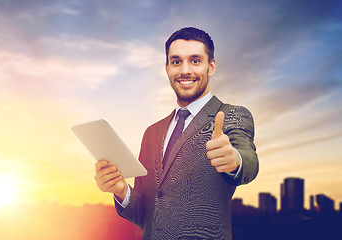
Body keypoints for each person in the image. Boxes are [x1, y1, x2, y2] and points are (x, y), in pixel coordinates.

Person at [94, 27, 259, 239]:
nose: (185, 70)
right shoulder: (151, 133)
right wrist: (120, 189)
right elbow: (146, 216)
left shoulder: (231, 115)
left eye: (195, 60)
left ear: (212, 66)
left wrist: (234, 159)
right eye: (176, 61)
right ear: (167, 68)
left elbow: (248, 159)